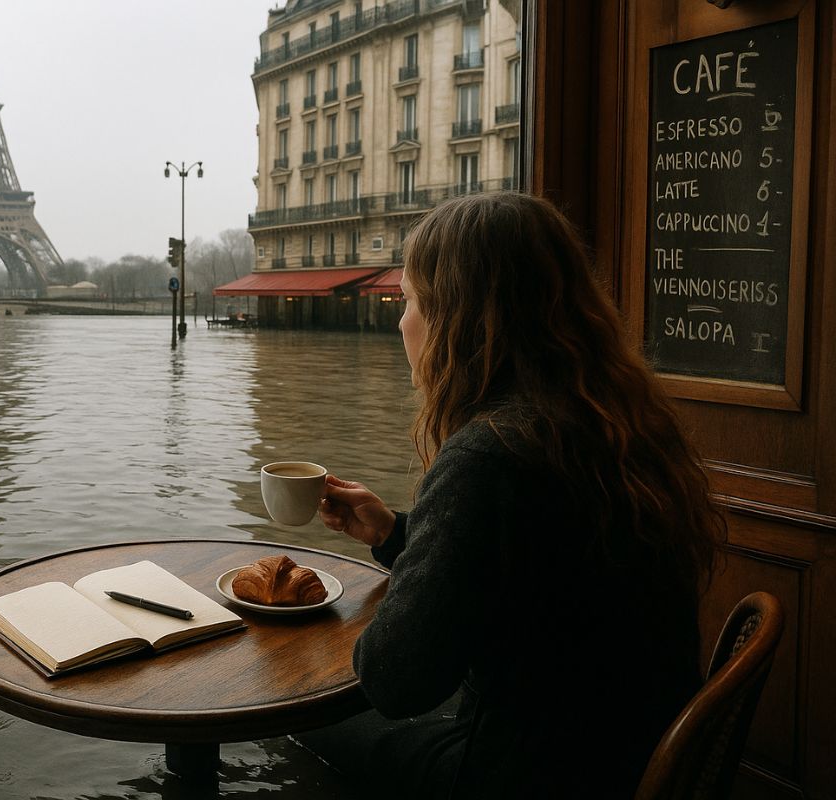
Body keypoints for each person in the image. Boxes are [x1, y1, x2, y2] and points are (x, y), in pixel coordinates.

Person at [298, 192, 724, 798]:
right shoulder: (610, 425)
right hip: (626, 748)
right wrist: (394, 532)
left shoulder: (488, 453)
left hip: (527, 773)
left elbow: (395, 681)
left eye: (410, 300)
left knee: (306, 720)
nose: (400, 321)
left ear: (458, 316)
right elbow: (528, 569)